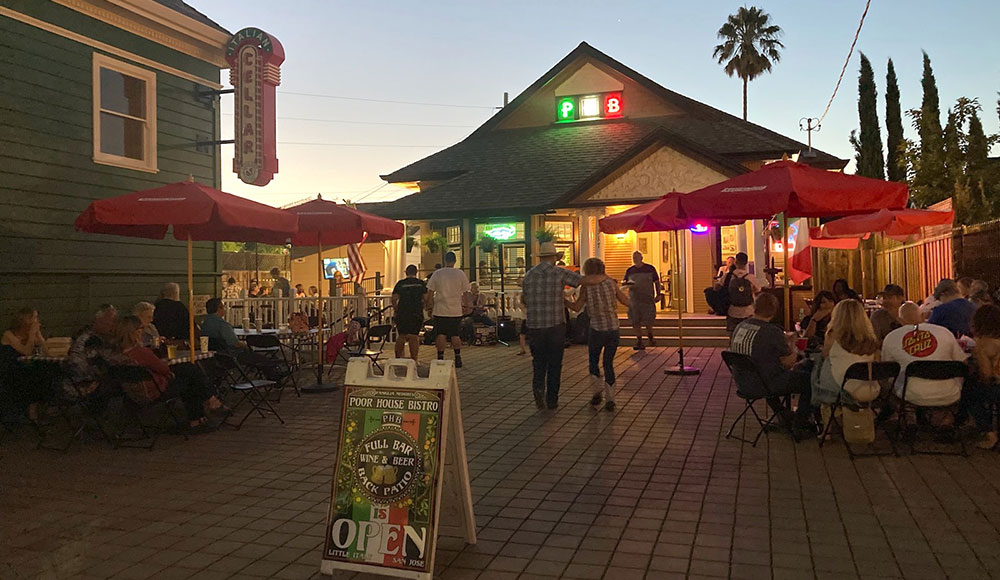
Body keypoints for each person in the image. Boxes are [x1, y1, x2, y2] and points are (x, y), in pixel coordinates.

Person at [112, 315, 220, 433]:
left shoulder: (116, 354)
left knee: (187, 372)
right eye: (141, 329)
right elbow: (164, 369)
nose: (142, 331)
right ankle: (201, 412)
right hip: (153, 391)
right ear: (134, 332)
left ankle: (203, 409)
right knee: (190, 375)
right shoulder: (140, 352)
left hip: (131, 392)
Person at [730, 293, 814, 431]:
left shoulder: (741, 326)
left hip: (743, 381)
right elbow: (788, 362)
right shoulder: (771, 331)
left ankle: (784, 415)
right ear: (774, 310)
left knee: (768, 372)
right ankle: (800, 423)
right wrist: (793, 343)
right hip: (764, 383)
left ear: (755, 307)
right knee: (810, 380)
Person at [521, 242, 582, 409]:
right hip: (555, 324)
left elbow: (524, 299)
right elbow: (580, 281)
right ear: (554, 258)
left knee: (539, 361)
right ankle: (552, 399)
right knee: (555, 363)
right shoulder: (559, 272)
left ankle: (538, 387)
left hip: (535, 325)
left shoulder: (529, 275)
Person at [567, 258, 630, 412]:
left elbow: (576, 307)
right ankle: (611, 399)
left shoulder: (586, 287)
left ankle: (596, 393)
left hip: (597, 329)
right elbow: (626, 301)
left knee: (593, 362)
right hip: (613, 328)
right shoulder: (611, 283)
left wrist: (563, 301)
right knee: (608, 363)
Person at [882, 301, 966, 408]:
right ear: (922, 316)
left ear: (899, 320)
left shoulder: (891, 338)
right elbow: (962, 362)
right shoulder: (944, 332)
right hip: (949, 392)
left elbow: (888, 371)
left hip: (910, 394)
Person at [823, 299, 881, 402]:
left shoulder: (833, 336)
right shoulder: (871, 340)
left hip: (843, 389)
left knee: (819, 364)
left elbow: (825, 357)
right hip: (872, 389)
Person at [964, 304, 1000, 449]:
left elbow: (986, 374)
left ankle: (990, 434)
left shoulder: (983, 345)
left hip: (997, 386)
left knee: (969, 395)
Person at [425, 252, 470, 368]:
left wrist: (429, 305)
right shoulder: (460, 274)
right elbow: (466, 292)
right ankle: (457, 357)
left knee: (441, 334)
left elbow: (430, 291)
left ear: (445, 260)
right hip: (455, 309)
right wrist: (466, 305)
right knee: (455, 334)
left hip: (440, 309)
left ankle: (440, 357)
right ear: (455, 261)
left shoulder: (438, 273)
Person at [65, 304, 119, 398]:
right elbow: (103, 365)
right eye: (111, 321)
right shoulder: (91, 340)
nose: (113, 325)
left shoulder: (90, 336)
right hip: (83, 384)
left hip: (77, 381)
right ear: (97, 320)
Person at [623, 251, 662, 350]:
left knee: (648, 320)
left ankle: (650, 337)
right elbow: (625, 282)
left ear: (641, 258)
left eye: (637, 257)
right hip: (634, 300)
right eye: (633, 257)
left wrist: (658, 294)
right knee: (635, 321)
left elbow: (657, 282)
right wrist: (626, 284)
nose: (635, 259)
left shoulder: (650, 269)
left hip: (647, 299)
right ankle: (639, 341)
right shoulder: (630, 270)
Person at [717, 252, 760, 333]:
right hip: (748, 311)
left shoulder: (728, 276)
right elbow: (758, 290)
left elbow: (717, 287)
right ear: (746, 263)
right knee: (748, 334)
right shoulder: (751, 277)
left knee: (733, 334)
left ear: (735, 262)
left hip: (732, 311)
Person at [392, 265, 427, 362]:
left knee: (402, 336)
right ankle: (414, 359)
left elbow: (394, 298)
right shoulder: (420, 284)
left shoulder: (400, 284)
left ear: (406, 272)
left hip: (402, 312)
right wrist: (424, 307)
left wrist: (396, 309)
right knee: (414, 336)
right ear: (416, 272)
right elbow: (426, 298)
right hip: (416, 312)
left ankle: (397, 358)